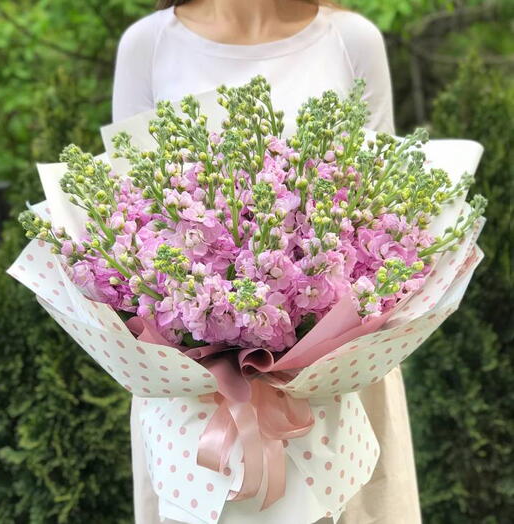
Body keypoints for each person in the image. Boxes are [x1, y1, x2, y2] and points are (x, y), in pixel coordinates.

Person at [112, 1, 422, 522]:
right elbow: (129, 218)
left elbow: (386, 214)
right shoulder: (148, 44)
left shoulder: (353, 39)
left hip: (341, 381)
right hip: (195, 396)